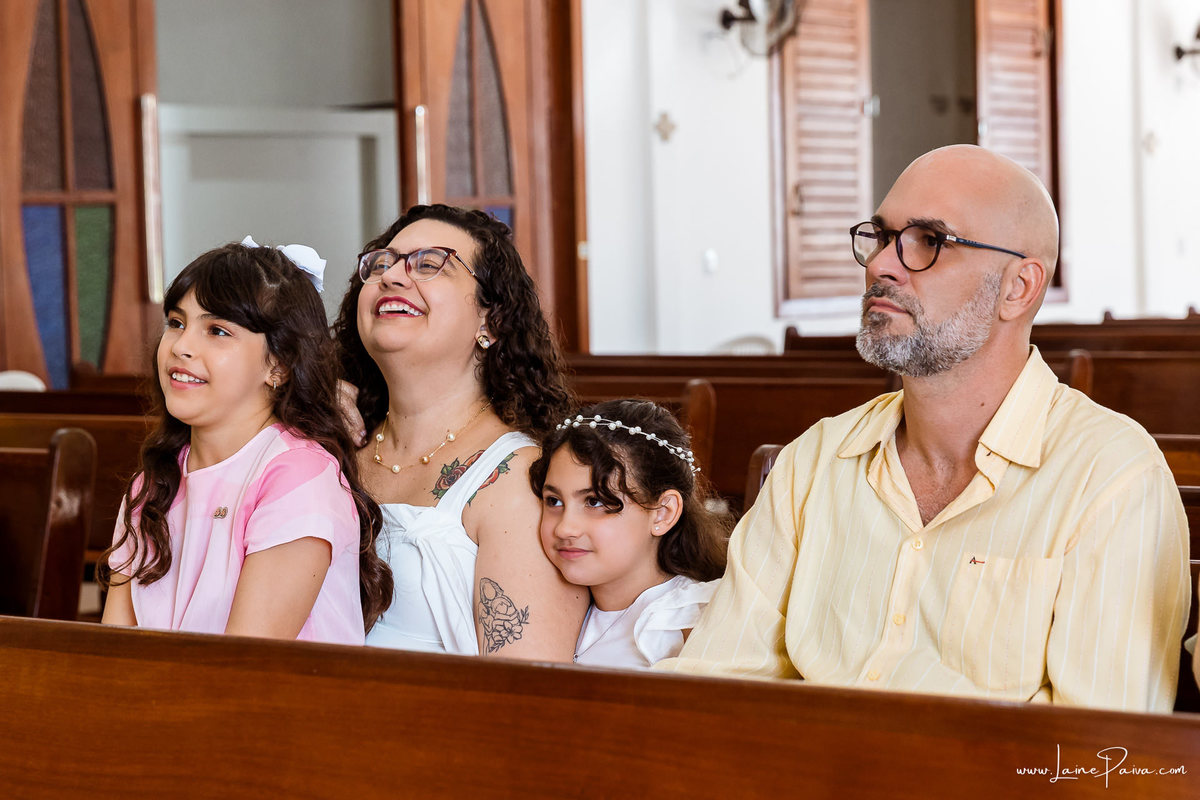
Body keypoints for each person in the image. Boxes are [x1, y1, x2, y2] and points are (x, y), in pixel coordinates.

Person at [660, 145, 1189, 712]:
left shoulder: (1110, 477)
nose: (882, 265)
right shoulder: (811, 463)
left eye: (929, 241)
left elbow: (1103, 758)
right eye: (883, 236)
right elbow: (715, 695)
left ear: (1019, 287)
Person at [100, 239, 392, 644]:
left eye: (217, 330)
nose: (181, 347)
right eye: (176, 322)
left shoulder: (297, 477)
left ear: (278, 364)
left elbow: (245, 666)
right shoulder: (152, 483)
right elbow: (112, 650)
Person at [333, 204, 588, 659]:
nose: (391, 277)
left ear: (490, 318)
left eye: (429, 264)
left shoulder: (519, 480)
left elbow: (525, 688)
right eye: (380, 263)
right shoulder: (329, 446)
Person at [529, 400, 729, 669]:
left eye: (594, 502)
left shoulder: (691, 623)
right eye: (553, 501)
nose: (565, 528)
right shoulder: (543, 599)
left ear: (662, 513)